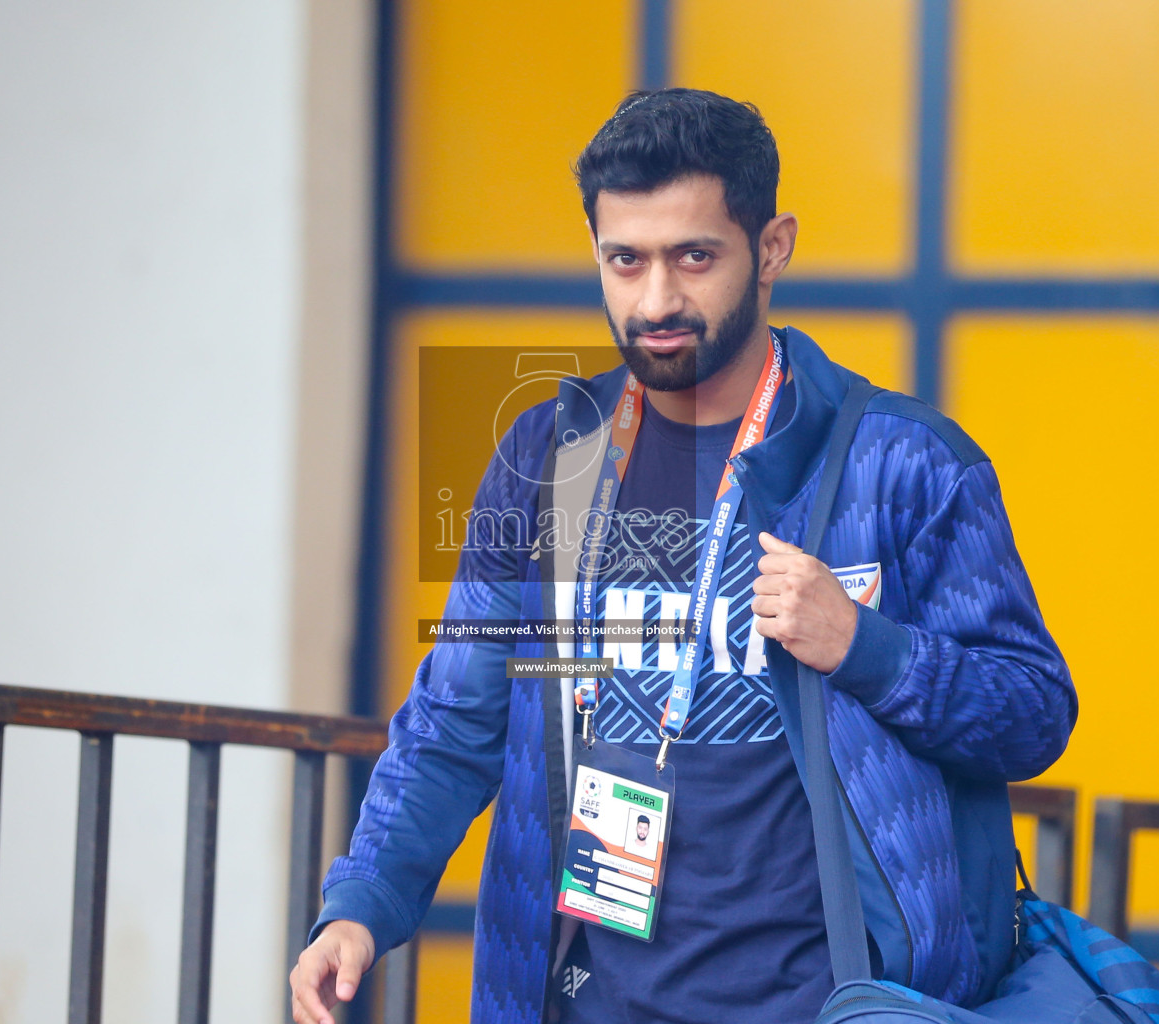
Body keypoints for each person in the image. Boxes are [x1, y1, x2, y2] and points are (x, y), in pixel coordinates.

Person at [290, 88, 1075, 1024]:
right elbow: (456, 717)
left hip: (830, 1005)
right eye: (627, 261)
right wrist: (362, 907)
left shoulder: (904, 461)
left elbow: (1034, 714)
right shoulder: (542, 457)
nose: (657, 299)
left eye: (694, 256)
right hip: (588, 1000)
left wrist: (864, 645)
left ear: (772, 246)